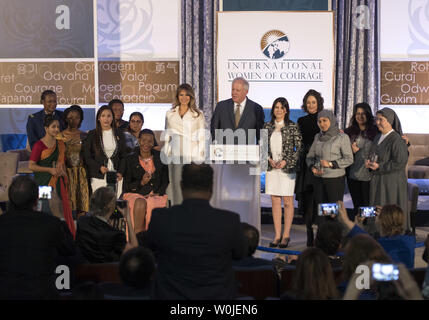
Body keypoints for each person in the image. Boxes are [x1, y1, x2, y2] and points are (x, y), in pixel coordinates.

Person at [147, 164, 247, 299]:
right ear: (211, 187)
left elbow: (150, 252)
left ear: (181, 186)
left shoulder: (161, 218)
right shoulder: (230, 221)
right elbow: (239, 255)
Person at [0, 176, 75, 299]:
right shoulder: (51, 224)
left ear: (10, 200)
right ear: (36, 201)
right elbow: (70, 249)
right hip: (41, 294)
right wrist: (59, 215)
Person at [306, 109, 353, 245]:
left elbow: (349, 159)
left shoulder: (342, 137)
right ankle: (323, 242)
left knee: (334, 212)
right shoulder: (317, 137)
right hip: (319, 179)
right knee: (322, 212)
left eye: (325, 121)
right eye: (319, 121)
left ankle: (336, 242)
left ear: (331, 121)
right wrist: (313, 167)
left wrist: (331, 164)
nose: (322, 124)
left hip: (335, 180)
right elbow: (310, 158)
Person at [263, 97, 302, 248]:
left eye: (281, 107)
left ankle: (286, 235)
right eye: (276, 107)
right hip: (273, 168)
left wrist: (286, 161)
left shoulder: (293, 126)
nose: (278, 110)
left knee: (287, 201)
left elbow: (298, 149)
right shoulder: (267, 126)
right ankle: (277, 235)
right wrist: (269, 159)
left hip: (287, 169)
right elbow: (262, 147)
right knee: (275, 201)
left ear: (286, 110)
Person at [28, 115, 75, 237]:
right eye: (53, 127)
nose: (56, 129)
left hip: (59, 183)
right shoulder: (39, 145)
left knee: (59, 210)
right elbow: (31, 166)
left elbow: (62, 164)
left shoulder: (61, 144)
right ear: (46, 128)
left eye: (58, 127)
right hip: (44, 184)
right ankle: (44, 236)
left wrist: (64, 175)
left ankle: (61, 238)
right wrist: (49, 170)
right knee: (45, 209)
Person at [365, 108, 409, 229]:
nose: (377, 122)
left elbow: (400, 162)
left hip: (391, 183)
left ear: (390, 121)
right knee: (377, 207)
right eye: (376, 119)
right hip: (378, 180)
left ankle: (390, 237)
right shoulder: (378, 137)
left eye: (381, 119)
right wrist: (369, 162)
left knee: (389, 211)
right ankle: (376, 233)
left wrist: (380, 166)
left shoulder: (397, 140)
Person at [337, 201, 415, 268]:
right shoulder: (409, 240)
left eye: (378, 216)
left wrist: (345, 219)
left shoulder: (381, 244)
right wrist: (359, 224)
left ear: (382, 221)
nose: (376, 218)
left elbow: (367, 241)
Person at [164, 83, 205, 206]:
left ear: (191, 97)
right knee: (175, 184)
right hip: (174, 154)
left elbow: (201, 137)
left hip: (191, 154)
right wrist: (167, 153)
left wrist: (200, 158)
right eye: (181, 95)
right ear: (177, 96)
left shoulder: (198, 115)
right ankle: (177, 212)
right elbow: (167, 135)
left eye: (187, 95)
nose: (184, 98)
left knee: (189, 186)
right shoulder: (170, 113)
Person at [75, 187, 138, 263]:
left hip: (83, 272)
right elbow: (135, 253)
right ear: (111, 207)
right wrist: (128, 218)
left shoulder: (82, 222)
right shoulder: (116, 235)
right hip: (107, 272)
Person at [123, 131, 169, 234]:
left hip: (156, 194)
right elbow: (127, 185)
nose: (146, 144)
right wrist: (141, 183)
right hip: (134, 193)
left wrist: (159, 193)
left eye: (150, 141)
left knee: (152, 203)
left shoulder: (161, 157)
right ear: (139, 141)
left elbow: (166, 180)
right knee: (140, 203)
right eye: (143, 140)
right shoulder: (130, 159)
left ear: (153, 143)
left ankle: (152, 241)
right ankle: (136, 238)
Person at [295, 89, 325, 247]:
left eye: (313, 102)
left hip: (322, 164)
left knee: (320, 200)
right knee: (307, 199)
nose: (311, 105)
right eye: (308, 103)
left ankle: (320, 234)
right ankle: (308, 233)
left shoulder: (325, 119)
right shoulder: (301, 121)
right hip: (306, 165)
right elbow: (298, 144)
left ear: (318, 103)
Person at [82, 105, 127, 197]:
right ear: (99, 118)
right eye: (103, 116)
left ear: (112, 118)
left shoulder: (119, 134)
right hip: (99, 175)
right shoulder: (92, 134)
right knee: (100, 202)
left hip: (116, 175)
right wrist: (99, 167)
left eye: (109, 116)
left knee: (113, 202)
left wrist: (121, 172)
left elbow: (123, 156)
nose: (106, 119)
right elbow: (87, 157)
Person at [344, 103, 379, 216]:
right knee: (357, 206)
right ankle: (359, 229)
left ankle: (368, 229)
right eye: (358, 113)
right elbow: (343, 153)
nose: (360, 116)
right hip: (353, 175)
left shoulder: (376, 132)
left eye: (363, 113)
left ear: (368, 115)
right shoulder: (348, 133)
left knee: (368, 206)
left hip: (370, 176)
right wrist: (351, 151)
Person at [56, 105, 89, 217]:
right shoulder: (59, 136)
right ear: (65, 119)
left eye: (76, 118)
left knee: (82, 206)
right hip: (66, 173)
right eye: (70, 118)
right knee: (67, 206)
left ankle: (82, 231)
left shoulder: (85, 136)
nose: (73, 120)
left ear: (81, 119)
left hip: (82, 174)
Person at [210, 77, 264, 145]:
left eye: (237, 90)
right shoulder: (221, 106)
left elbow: (260, 136)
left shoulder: (257, 109)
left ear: (246, 91)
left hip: (247, 152)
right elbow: (214, 129)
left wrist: (261, 152)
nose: (234, 93)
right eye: (233, 89)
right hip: (224, 152)